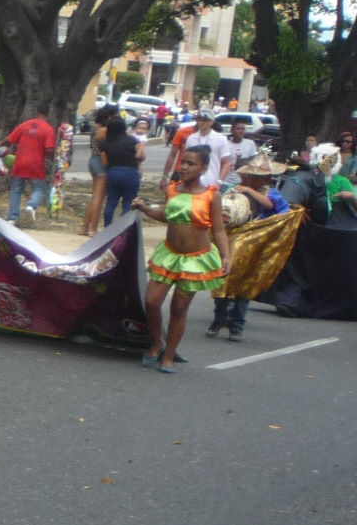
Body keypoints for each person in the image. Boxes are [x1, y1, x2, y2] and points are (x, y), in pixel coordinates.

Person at [132, 145, 230, 372]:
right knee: (152, 301)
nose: (184, 167)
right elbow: (166, 216)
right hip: (169, 254)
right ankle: (157, 342)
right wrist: (145, 208)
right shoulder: (173, 189)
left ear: (203, 168)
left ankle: (168, 355)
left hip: (195, 260)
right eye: (183, 162)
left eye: (191, 163)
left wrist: (226, 257)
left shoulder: (211, 195)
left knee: (179, 309)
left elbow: (218, 230)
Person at [208, 153, 288, 341]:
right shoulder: (234, 190)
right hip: (232, 238)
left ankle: (237, 325)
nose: (252, 179)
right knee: (222, 278)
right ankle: (220, 317)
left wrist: (251, 192)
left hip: (256, 242)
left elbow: (274, 207)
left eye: (258, 177)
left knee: (245, 284)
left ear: (267, 178)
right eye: (250, 176)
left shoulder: (271, 192)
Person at [2, 112, 57, 223]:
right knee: (40, 188)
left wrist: (1, 145)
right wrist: (51, 159)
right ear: (46, 115)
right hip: (36, 164)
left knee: (16, 189)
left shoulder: (25, 125)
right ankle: (31, 206)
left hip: (20, 162)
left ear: (36, 114)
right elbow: (50, 149)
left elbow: (9, 139)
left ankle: (12, 218)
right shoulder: (48, 129)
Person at [97, 113, 145, 225]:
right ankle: (124, 228)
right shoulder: (132, 140)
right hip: (131, 173)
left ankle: (108, 228)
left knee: (111, 203)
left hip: (113, 172)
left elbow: (105, 162)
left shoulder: (105, 144)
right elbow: (141, 157)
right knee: (128, 202)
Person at [163, 111, 227, 190]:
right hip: (192, 182)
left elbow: (227, 162)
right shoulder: (191, 138)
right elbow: (185, 158)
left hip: (211, 182)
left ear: (211, 122)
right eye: (199, 120)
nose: (201, 123)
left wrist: (219, 181)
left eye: (205, 121)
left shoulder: (221, 139)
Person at [79, 106, 114, 237]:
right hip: (101, 160)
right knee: (99, 197)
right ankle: (94, 228)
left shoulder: (95, 128)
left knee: (94, 195)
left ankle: (84, 227)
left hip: (93, 158)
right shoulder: (105, 130)